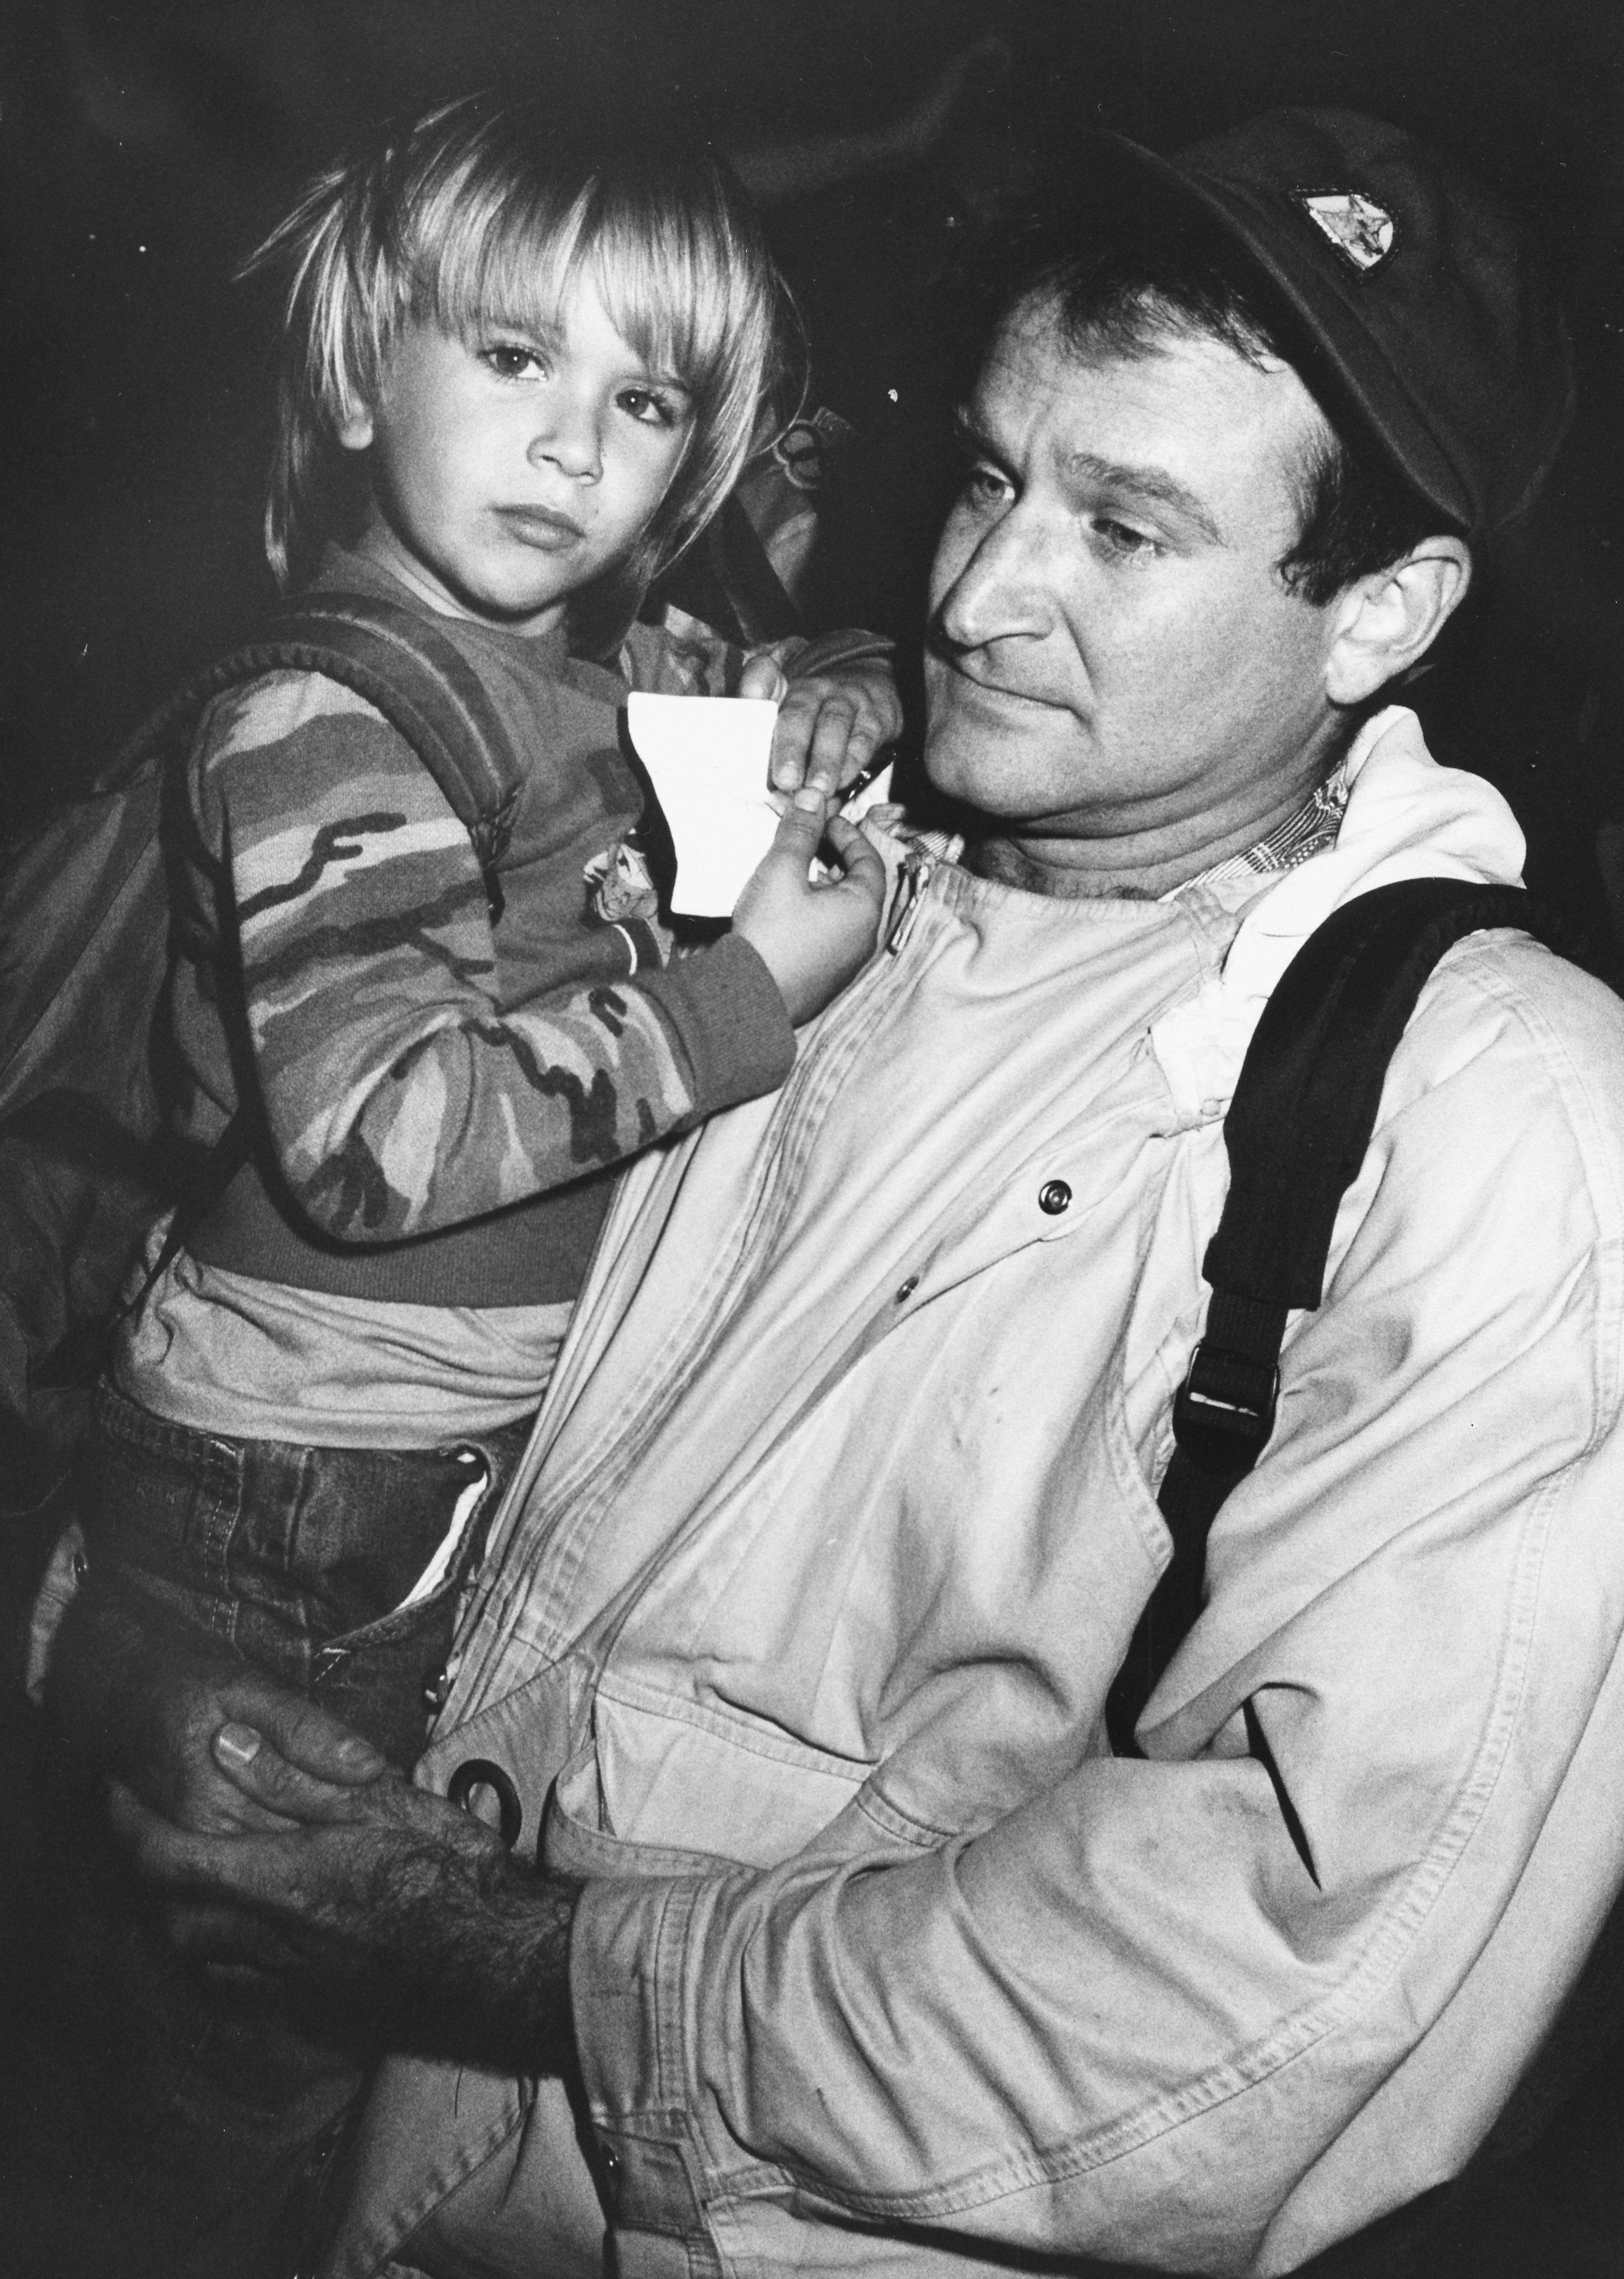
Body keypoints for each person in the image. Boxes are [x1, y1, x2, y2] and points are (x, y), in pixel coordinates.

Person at [93, 109, 1624, 2279]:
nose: (979, 588)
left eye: (1126, 526)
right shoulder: (817, 855)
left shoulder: (1498, 1119)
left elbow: (1253, 1985)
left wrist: (491, 1950)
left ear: (1381, 607)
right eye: (993, 473)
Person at [30, 93, 897, 2278]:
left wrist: (827, 690)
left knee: (307, 2006)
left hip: (396, 1474)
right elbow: (381, 1130)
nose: (574, 449)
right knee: (257, 2027)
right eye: (510, 361)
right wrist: (742, 997)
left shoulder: (562, 676)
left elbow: (731, 724)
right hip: (292, 1492)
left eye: (644, 397)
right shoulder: (333, 709)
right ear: (356, 369)